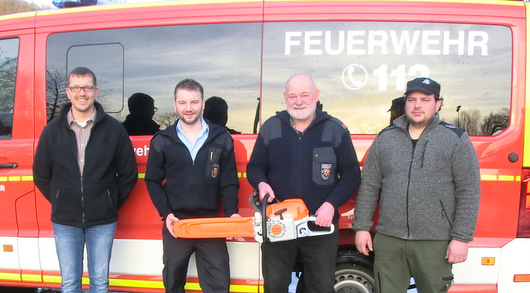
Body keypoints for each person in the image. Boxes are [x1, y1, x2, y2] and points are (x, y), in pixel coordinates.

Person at [353, 77, 481, 293]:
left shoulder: (455, 139)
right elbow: (369, 186)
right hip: (389, 240)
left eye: (425, 99)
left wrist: (461, 238)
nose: (417, 105)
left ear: (438, 104)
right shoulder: (386, 138)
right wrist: (362, 227)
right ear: (405, 103)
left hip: (434, 242)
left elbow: (468, 191)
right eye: (412, 100)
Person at [247, 74, 361, 293]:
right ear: (285, 98)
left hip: (319, 225)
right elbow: (254, 167)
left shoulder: (335, 130)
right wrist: (261, 183)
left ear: (316, 96)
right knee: (275, 285)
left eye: (304, 95)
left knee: (319, 286)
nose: (298, 101)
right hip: (278, 223)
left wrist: (331, 204)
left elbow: (351, 175)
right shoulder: (271, 127)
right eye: (292, 96)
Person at [33, 66, 138, 293]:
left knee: (100, 283)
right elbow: (41, 174)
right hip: (65, 221)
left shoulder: (114, 130)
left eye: (87, 87)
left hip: (102, 221)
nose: (82, 93)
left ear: (96, 91)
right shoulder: (51, 131)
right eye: (77, 88)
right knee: (70, 283)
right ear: (68, 92)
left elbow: (129, 173)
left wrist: (108, 201)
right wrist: (62, 199)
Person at [145, 79, 240, 293]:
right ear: (175, 103)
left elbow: (229, 180)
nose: (189, 108)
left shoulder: (221, 138)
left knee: (219, 285)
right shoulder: (162, 140)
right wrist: (166, 213)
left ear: (203, 103)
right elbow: (152, 180)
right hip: (176, 223)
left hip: (210, 224)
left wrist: (232, 212)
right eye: (183, 102)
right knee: (173, 283)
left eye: (194, 102)